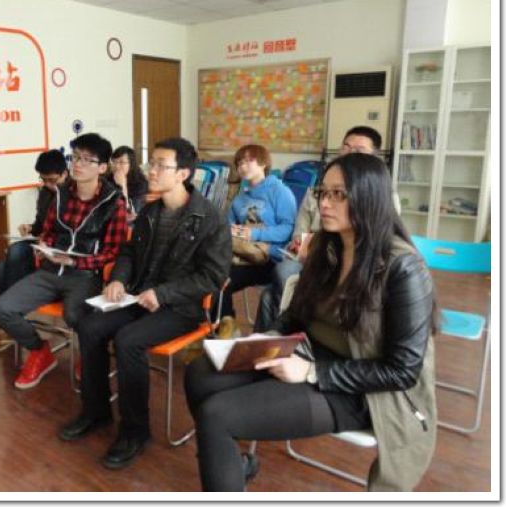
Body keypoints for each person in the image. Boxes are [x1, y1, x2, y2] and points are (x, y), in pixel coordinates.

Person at [184, 153, 436, 492]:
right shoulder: (327, 249)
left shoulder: (403, 267)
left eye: (338, 194)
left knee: (217, 415)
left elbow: (402, 371)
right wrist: (262, 340)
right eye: (323, 192)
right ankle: (228, 463)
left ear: (370, 198)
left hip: (363, 389)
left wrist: (312, 371)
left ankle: (224, 464)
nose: (324, 204)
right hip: (306, 354)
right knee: (200, 374)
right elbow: (295, 316)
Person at [59, 137, 231, 470]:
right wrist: (118, 280)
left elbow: (212, 277)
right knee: (89, 326)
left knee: (128, 341)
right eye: (151, 163)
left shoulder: (210, 219)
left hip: (181, 308)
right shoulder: (151, 211)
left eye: (160, 165)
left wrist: (163, 294)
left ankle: (135, 431)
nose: (151, 170)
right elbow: (128, 253)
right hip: (139, 296)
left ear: (182, 174)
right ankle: (96, 411)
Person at [0, 133, 128, 390]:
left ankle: (91, 355)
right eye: (75, 157)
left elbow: (114, 252)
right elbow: (50, 232)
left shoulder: (113, 203)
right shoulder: (61, 195)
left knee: (75, 315)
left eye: (86, 159)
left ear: (102, 168)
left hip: (86, 275)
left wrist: (77, 263)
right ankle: (39, 351)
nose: (78, 164)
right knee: (1, 308)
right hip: (51, 269)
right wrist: (45, 245)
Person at [258, 125, 399, 329]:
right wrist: (302, 243)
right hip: (312, 257)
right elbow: (300, 229)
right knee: (270, 295)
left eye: (339, 194)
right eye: (346, 146)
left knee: (280, 281)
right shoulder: (319, 195)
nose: (324, 203)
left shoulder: (400, 264)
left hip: (339, 266)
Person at [0, 149, 69, 354]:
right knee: (3, 268)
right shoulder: (46, 193)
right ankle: (9, 323)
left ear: (65, 173)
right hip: (42, 249)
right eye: (43, 180)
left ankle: (9, 324)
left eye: (52, 180)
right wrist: (31, 228)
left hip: (62, 254)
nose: (47, 184)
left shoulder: (74, 195)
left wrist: (48, 240)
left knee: (14, 254)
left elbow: (73, 232)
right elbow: (41, 224)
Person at [217, 144, 296, 329]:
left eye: (249, 161)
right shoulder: (239, 199)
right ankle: (223, 328)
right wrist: (232, 230)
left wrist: (253, 233)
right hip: (243, 256)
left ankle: (224, 330)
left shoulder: (280, 191)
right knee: (212, 274)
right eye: (239, 163)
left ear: (263, 163)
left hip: (271, 258)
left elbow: (288, 229)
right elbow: (228, 227)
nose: (243, 166)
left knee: (221, 280)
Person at [109, 145, 148, 224]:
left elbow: (132, 215)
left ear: (131, 164)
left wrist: (123, 186)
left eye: (121, 162)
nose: (117, 166)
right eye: (114, 161)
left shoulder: (140, 183)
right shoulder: (107, 180)